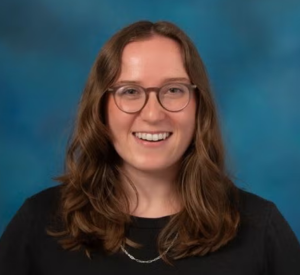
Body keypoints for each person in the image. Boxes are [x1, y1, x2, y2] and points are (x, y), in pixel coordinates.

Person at [0, 20, 299, 275]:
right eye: (130, 91)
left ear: (199, 106)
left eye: (173, 90)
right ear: (101, 108)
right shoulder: (38, 224)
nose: (153, 114)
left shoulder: (261, 229)